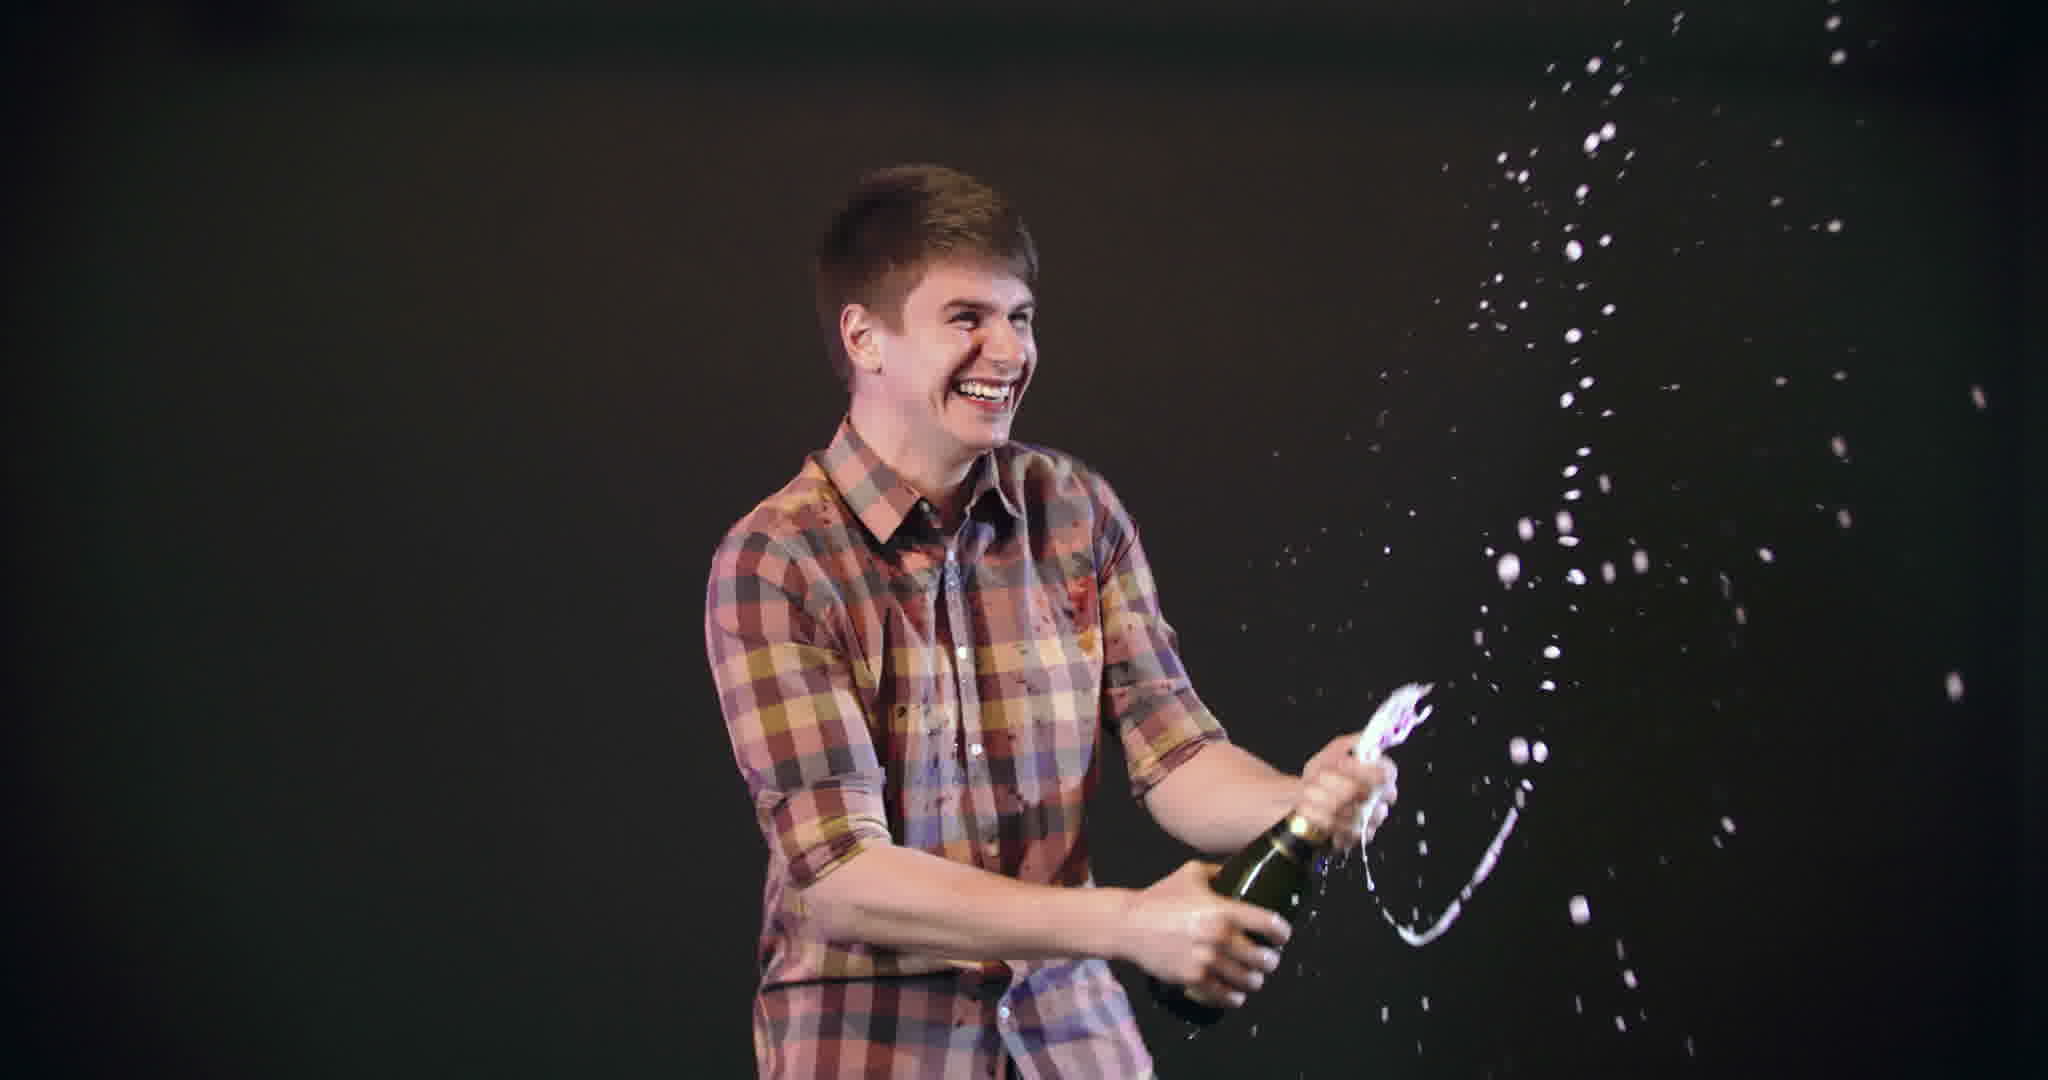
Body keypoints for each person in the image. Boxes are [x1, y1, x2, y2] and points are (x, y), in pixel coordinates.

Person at [704, 164, 1398, 1079]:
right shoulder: (778, 559)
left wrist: (1300, 802)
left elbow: (1177, 757)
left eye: (1020, 317)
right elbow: (841, 878)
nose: (1008, 351)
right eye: (967, 318)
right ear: (866, 339)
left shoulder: (1074, 510)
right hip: (870, 1045)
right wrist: (1128, 922)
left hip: (1072, 1037)